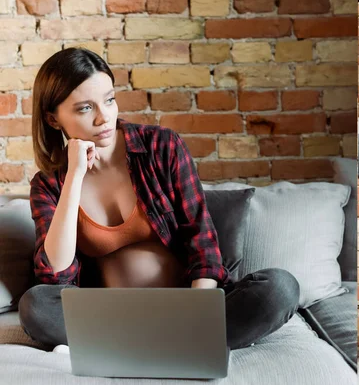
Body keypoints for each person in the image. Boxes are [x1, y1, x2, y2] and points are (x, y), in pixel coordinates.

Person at [18, 47, 300, 350]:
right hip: (110, 315)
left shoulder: (161, 146)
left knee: (280, 288)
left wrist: (197, 314)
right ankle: (178, 348)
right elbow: (55, 273)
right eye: (85, 108)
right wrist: (74, 174)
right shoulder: (48, 185)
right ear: (53, 119)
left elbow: (202, 241)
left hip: (189, 307)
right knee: (36, 305)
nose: (104, 117)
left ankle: (144, 347)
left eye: (110, 100)